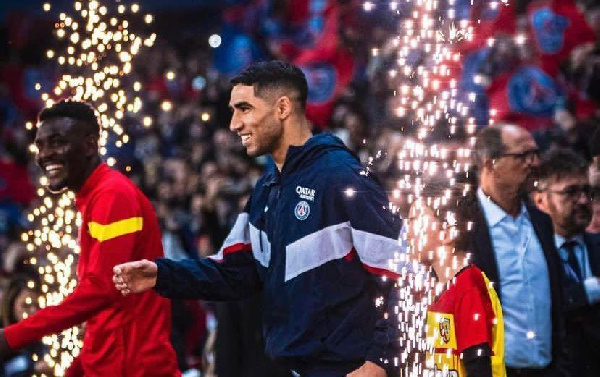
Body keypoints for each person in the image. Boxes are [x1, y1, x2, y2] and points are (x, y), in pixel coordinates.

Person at [113, 60, 405, 377]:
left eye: (244, 109)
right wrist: (161, 273)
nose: (234, 124)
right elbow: (234, 272)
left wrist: (379, 360)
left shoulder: (341, 177)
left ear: (282, 108)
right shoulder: (268, 189)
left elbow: (402, 272)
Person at [0, 100, 180, 377]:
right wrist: (76, 370)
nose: (45, 155)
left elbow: (100, 290)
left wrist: (13, 336)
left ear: (89, 145)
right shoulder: (95, 198)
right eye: (41, 145)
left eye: (57, 142)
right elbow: (107, 310)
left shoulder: (113, 195)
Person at [461, 124, 569, 377]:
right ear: (490, 163)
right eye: (523, 156)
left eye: (535, 154)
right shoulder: (464, 227)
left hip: (548, 369)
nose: (534, 163)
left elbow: (557, 303)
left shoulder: (541, 222)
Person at [409, 195, 505, 377]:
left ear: (447, 233)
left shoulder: (468, 289)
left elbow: (478, 366)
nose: (407, 233)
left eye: (415, 221)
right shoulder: (436, 287)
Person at [534, 148, 600, 377]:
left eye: (586, 191)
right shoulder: (531, 255)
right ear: (541, 200)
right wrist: (588, 290)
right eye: (570, 192)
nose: (582, 200)